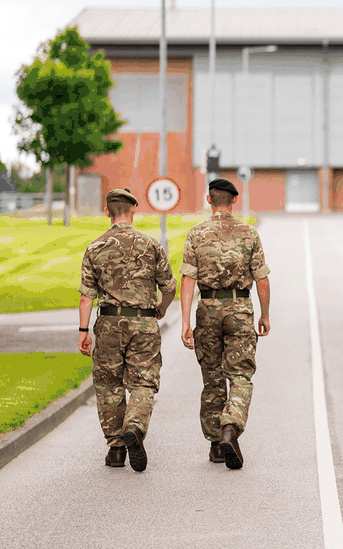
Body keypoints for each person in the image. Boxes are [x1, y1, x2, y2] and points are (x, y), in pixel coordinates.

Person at [78, 188, 176, 472]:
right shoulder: (151, 244)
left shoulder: (95, 247)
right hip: (144, 321)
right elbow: (169, 286)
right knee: (143, 381)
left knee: (108, 383)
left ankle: (117, 448)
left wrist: (83, 330)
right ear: (133, 210)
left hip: (108, 323)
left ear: (107, 212)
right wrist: (161, 309)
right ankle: (134, 425)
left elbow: (87, 296)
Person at [180, 178, 270, 469]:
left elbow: (187, 279)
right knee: (241, 375)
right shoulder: (249, 233)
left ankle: (217, 444)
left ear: (209, 200)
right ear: (233, 200)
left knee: (213, 378)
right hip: (240, 308)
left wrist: (185, 321)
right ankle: (232, 425)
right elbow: (262, 279)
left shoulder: (197, 233)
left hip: (207, 309)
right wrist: (265, 314)